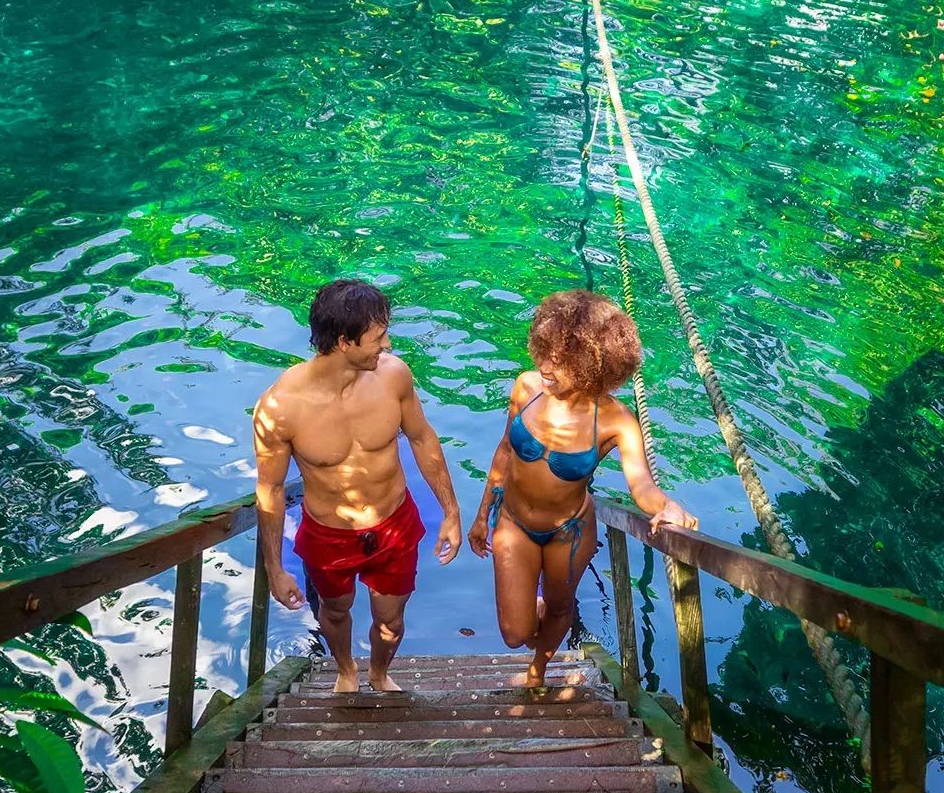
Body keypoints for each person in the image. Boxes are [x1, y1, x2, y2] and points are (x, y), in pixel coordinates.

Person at [466, 289, 693, 690]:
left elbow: (641, 485)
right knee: (514, 632)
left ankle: (538, 672)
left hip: (568, 531)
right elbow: (504, 450)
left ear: (592, 364)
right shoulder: (526, 387)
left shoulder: (615, 421)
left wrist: (667, 506)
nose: (545, 366)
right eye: (543, 351)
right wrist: (482, 514)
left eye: (561, 359)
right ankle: (531, 632)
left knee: (559, 607)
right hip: (514, 523)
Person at [252, 279, 464, 694]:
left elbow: (423, 438)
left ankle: (379, 674)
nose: (386, 345)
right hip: (329, 535)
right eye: (378, 336)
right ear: (345, 342)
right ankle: (346, 670)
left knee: (392, 619)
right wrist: (275, 569)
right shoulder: (279, 407)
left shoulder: (393, 377)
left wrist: (452, 511)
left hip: (393, 524)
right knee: (334, 611)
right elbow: (271, 489)